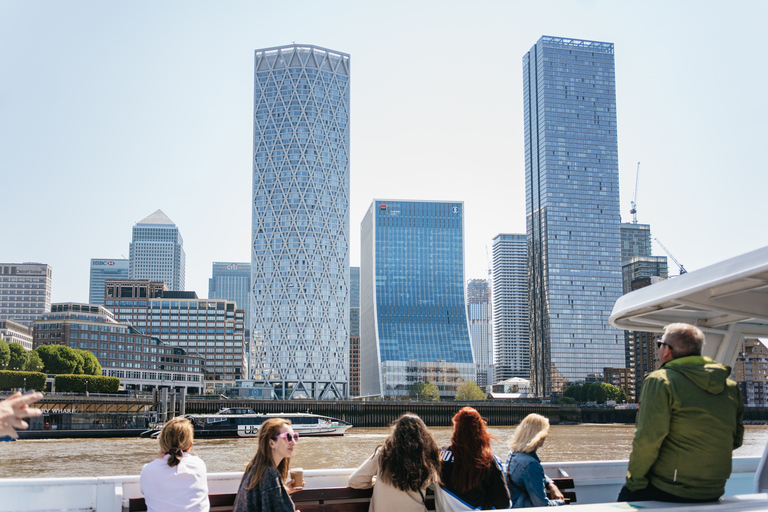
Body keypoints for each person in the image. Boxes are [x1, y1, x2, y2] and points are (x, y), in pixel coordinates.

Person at [618, 322, 744, 503]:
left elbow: (647, 440)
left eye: (659, 345)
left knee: (626, 498)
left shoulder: (660, 381)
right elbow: (736, 439)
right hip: (715, 488)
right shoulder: (730, 386)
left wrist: (634, 482)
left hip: (671, 488)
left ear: (667, 350)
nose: (660, 349)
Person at [349, 413, 441, 512]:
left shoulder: (383, 453)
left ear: (397, 432)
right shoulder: (427, 455)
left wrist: (377, 482)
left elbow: (355, 481)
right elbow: (433, 484)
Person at [438, 407, 510, 510]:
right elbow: (503, 503)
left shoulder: (440, 455)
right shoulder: (488, 460)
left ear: (456, 428)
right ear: (480, 428)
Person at [140, 416, 209, 512]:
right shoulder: (199, 465)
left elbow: (144, 491)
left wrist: (157, 459)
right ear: (190, 445)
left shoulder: (148, 470)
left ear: (162, 445)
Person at [233, 418, 302, 512]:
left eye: (295, 437)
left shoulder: (253, 469)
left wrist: (282, 492)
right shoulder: (270, 474)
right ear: (271, 443)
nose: (294, 443)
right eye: (288, 437)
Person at [504, 413, 564, 507]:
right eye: (546, 432)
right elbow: (542, 505)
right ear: (539, 436)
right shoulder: (531, 464)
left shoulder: (513, 453)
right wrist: (561, 503)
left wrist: (550, 483)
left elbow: (531, 474)